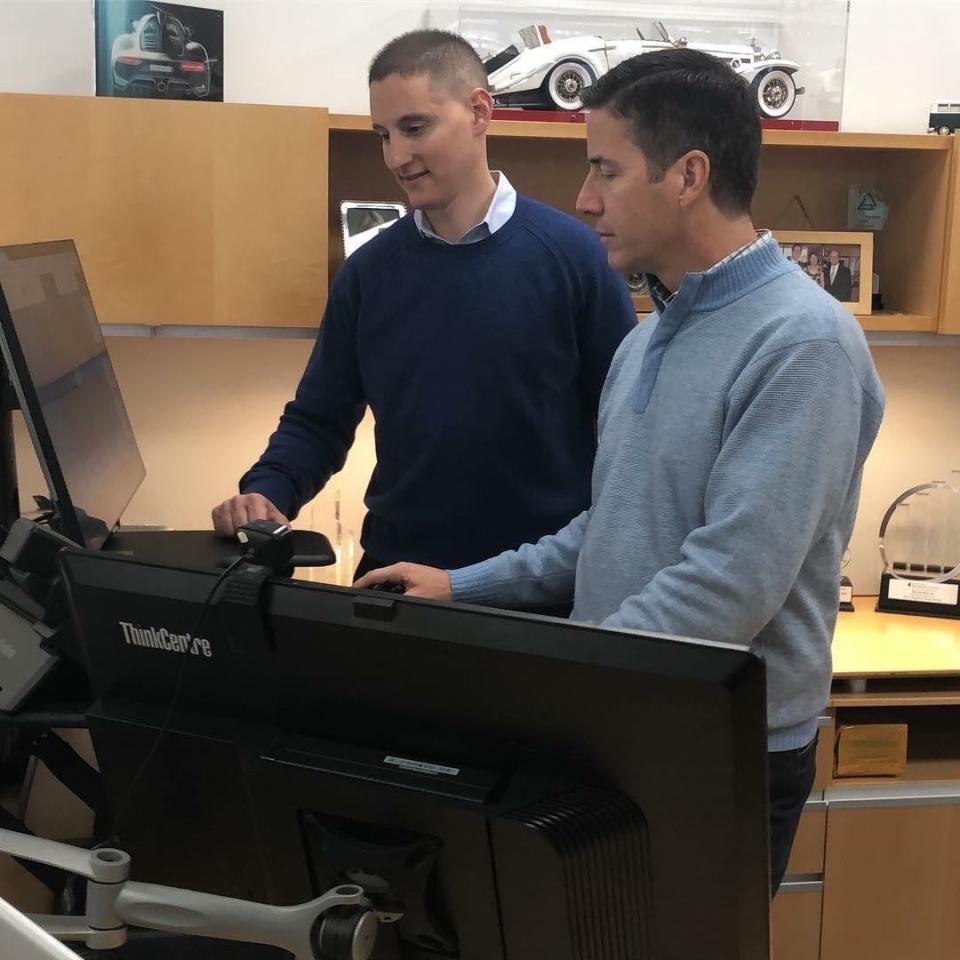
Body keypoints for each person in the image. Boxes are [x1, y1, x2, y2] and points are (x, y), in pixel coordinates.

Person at [356, 48, 885, 894]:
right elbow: (612, 524)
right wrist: (463, 587)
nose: (584, 198)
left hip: (712, 747)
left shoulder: (803, 343)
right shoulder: (650, 336)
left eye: (606, 169)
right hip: (627, 726)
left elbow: (728, 587)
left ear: (688, 176)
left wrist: (554, 685)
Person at [210, 30, 636, 599]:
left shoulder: (577, 259)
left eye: (415, 129)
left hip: (537, 595)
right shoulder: (368, 272)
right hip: (397, 585)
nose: (396, 156)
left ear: (480, 112)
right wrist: (266, 492)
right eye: (383, 135)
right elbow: (318, 420)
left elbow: (626, 440)